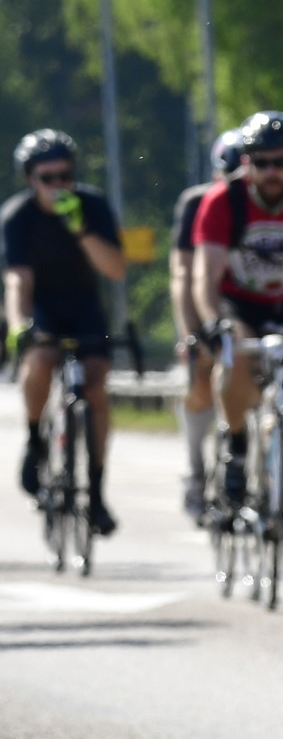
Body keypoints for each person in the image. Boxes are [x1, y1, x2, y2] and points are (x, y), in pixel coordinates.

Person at [192, 110, 283, 567]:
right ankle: (236, 444)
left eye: (282, 162)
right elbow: (205, 276)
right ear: (246, 162)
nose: (272, 172)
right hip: (242, 303)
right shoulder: (223, 201)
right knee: (234, 353)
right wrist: (213, 321)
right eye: (261, 162)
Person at [3, 129, 127, 534]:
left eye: (65, 176)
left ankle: (96, 492)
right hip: (42, 306)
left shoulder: (92, 205)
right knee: (40, 358)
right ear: (30, 179)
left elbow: (115, 269)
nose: (58, 185)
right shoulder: (17, 216)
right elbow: (18, 280)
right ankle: (35, 439)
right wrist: (19, 325)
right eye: (47, 178)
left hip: (85, 307)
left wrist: (81, 230)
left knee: (96, 384)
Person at [170, 130, 243, 517]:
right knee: (201, 377)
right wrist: (190, 334)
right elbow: (184, 275)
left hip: (252, 305)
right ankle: (196, 470)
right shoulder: (198, 202)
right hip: (209, 302)